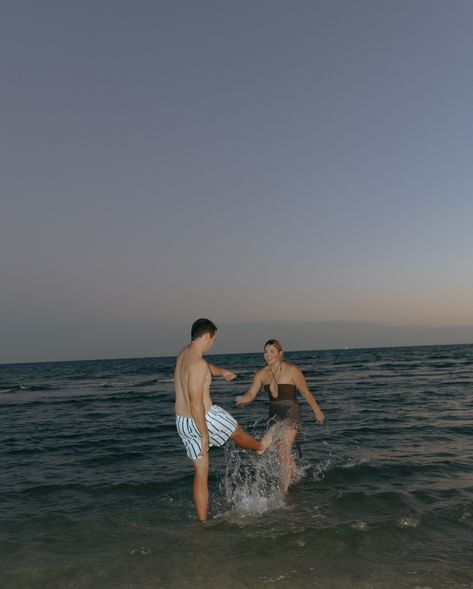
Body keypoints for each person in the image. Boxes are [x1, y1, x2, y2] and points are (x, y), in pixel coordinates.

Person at [174, 318, 272, 522]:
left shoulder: (184, 354)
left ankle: (202, 522)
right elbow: (195, 402)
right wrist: (204, 434)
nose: (213, 343)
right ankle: (260, 446)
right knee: (237, 432)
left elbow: (206, 367)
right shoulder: (198, 364)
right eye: (213, 339)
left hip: (182, 422)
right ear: (206, 336)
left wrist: (222, 372)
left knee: (201, 473)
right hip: (204, 417)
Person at [235, 339, 325, 492]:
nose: (268, 355)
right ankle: (297, 475)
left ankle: (284, 493)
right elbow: (251, 393)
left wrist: (317, 410)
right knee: (261, 449)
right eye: (265, 352)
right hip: (274, 416)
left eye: (272, 352)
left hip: (291, 412)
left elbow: (305, 392)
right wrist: (244, 399)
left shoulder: (292, 370)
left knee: (283, 449)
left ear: (280, 353)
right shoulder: (261, 373)